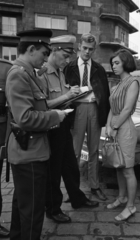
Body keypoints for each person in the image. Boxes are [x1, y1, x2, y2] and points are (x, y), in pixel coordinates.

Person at [5, 29, 66, 240]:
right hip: (29, 154)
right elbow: (25, 118)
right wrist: (56, 116)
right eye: (43, 53)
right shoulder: (19, 74)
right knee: (32, 212)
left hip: (30, 151)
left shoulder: (29, 73)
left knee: (22, 206)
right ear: (31, 49)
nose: (46, 59)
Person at [37, 35, 99, 224]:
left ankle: (77, 199)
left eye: (68, 57)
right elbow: (44, 104)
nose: (66, 61)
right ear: (54, 51)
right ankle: (53, 209)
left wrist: (71, 96)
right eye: (64, 56)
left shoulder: (61, 71)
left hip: (63, 124)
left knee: (71, 166)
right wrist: (67, 97)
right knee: (53, 171)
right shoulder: (42, 74)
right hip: (52, 126)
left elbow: (62, 97)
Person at [64, 33, 110, 201]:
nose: (88, 52)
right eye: (85, 48)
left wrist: (106, 116)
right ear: (79, 47)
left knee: (93, 151)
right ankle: (73, 189)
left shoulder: (99, 69)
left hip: (94, 109)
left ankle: (94, 186)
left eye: (91, 49)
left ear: (94, 50)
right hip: (77, 110)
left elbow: (105, 94)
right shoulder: (69, 67)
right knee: (74, 152)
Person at [106, 49, 139, 221]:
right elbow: (112, 109)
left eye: (117, 63)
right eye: (112, 63)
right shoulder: (116, 85)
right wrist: (107, 126)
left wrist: (115, 126)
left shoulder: (133, 82)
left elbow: (126, 109)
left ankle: (131, 206)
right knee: (118, 166)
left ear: (126, 62)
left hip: (125, 128)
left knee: (127, 169)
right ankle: (122, 197)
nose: (114, 66)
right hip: (115, 127)